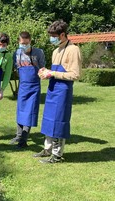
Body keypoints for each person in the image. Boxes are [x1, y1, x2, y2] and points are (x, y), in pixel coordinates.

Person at [34, 20, 81, 163]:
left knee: (59, 121)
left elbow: (75, 75)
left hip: (63, 91)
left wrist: (53, 73)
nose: (51, 38)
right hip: (53, 89)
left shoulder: (73, 50)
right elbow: (53, 71)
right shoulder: (56, 51)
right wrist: (45, 72)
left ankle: (57, 154)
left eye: (54, 36)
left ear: (62, 34)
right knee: (48, 119)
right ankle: (47, 149)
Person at [10, 31, 46, 148]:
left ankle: (23, 140)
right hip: (23, 86)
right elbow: (16, 67)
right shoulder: (16, 53)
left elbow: (42, 67)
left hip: (34, 86)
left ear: (30, 41)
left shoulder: (39, 52)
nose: (24, 45)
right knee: (20, 111)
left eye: (26, 43)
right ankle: (18, 135)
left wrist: (42, 73)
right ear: (19, 42)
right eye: (22, 43)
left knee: (29, 112)